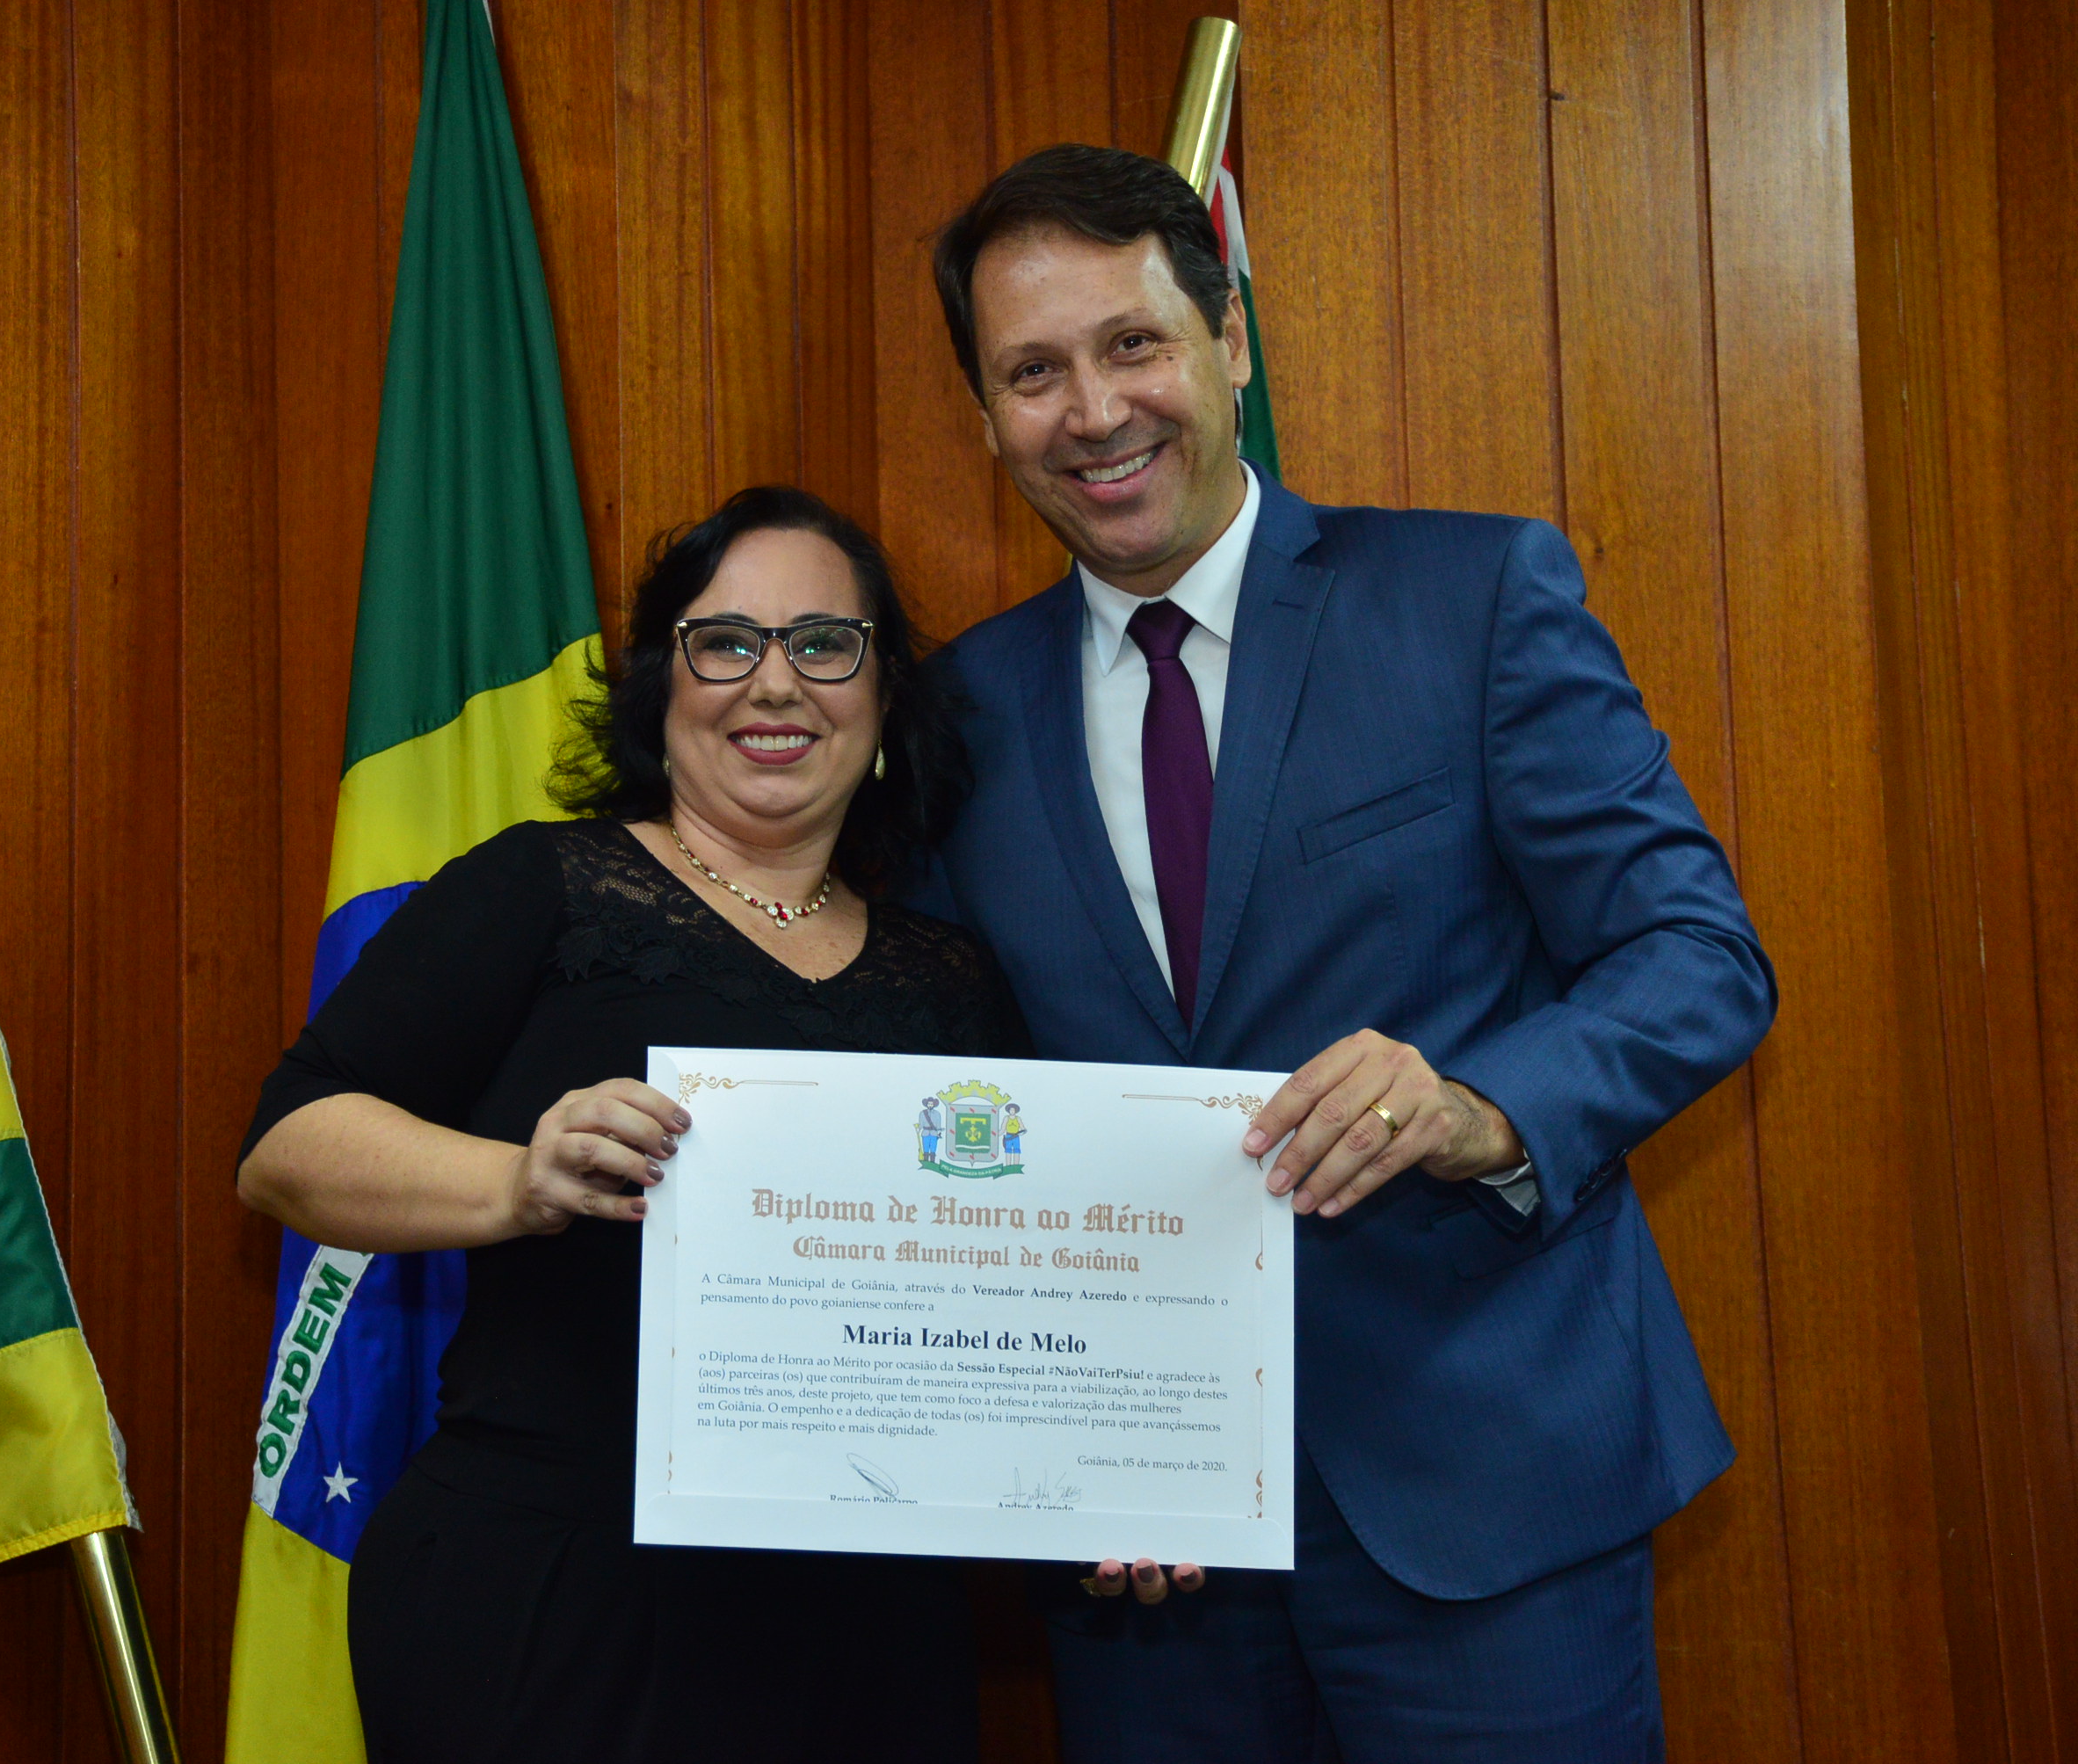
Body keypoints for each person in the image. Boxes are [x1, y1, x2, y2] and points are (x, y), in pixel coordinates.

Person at [912, 144, 1776, 1761]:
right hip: (1144, 1542)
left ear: (1229, 338)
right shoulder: (957, 715)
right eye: (1032, 372)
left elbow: (1696, 955)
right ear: (985, 417)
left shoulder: (1472, 597)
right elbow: (955, 1096)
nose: (1092, 411)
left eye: (1133, 344)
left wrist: (1478, 1108)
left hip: (1487, 1499)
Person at [235, 485, 1024, 1764]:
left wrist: (1109, 1485)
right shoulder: (541, 887)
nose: (776, 683)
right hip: (552, 1601)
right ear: (664, 686)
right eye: (727, 643)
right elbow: (287, 1147)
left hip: (869, 1629)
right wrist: (521, 1182)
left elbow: (1017, 1294)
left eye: (827, 643)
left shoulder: (958, 980)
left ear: (886, 699)